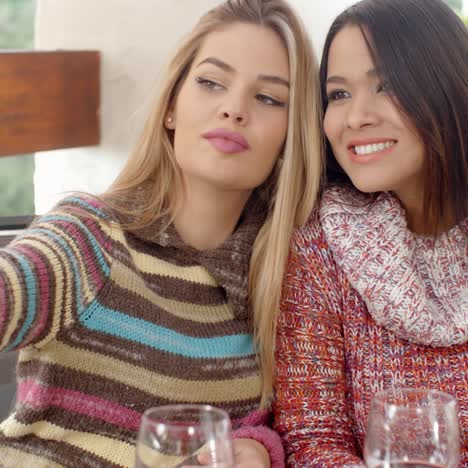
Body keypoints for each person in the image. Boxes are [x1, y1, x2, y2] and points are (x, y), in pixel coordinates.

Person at [0, 1, 323, 467]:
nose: (233, 109)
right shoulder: (90, 236)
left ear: (289, 138)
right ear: (171, 107)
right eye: (211, 83)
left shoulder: (274, 286)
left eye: (268, 98)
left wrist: (256, 448)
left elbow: (270, 428)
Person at [273, 0, 467, 466]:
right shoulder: (321, 241)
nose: (356, 117)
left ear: (445, 88)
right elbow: (312, 437)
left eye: (387, 86)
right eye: (338, 94)